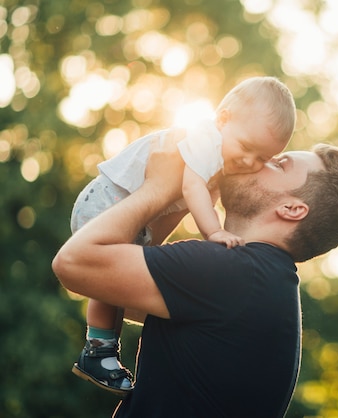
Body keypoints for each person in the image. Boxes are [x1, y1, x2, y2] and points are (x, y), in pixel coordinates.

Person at [52, 136, 338, 417]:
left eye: (279, 163)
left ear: (292, 208)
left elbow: (74, 263)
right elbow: (113, 285)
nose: (260, 159)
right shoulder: (262, 281)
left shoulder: (232, 272)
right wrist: (186, 195)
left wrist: (159, 186)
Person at [67, 76, 296, 396]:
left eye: (261, 158)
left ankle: (103, 349)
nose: (248, 162)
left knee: (115, 282)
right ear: (223, 118)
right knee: (109, 277)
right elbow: (191, 188)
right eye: (246, 147)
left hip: (120, 209)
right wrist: (214, 230)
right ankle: (99, 350)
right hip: (107, 204)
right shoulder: (205, 141)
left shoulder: (218, 151)